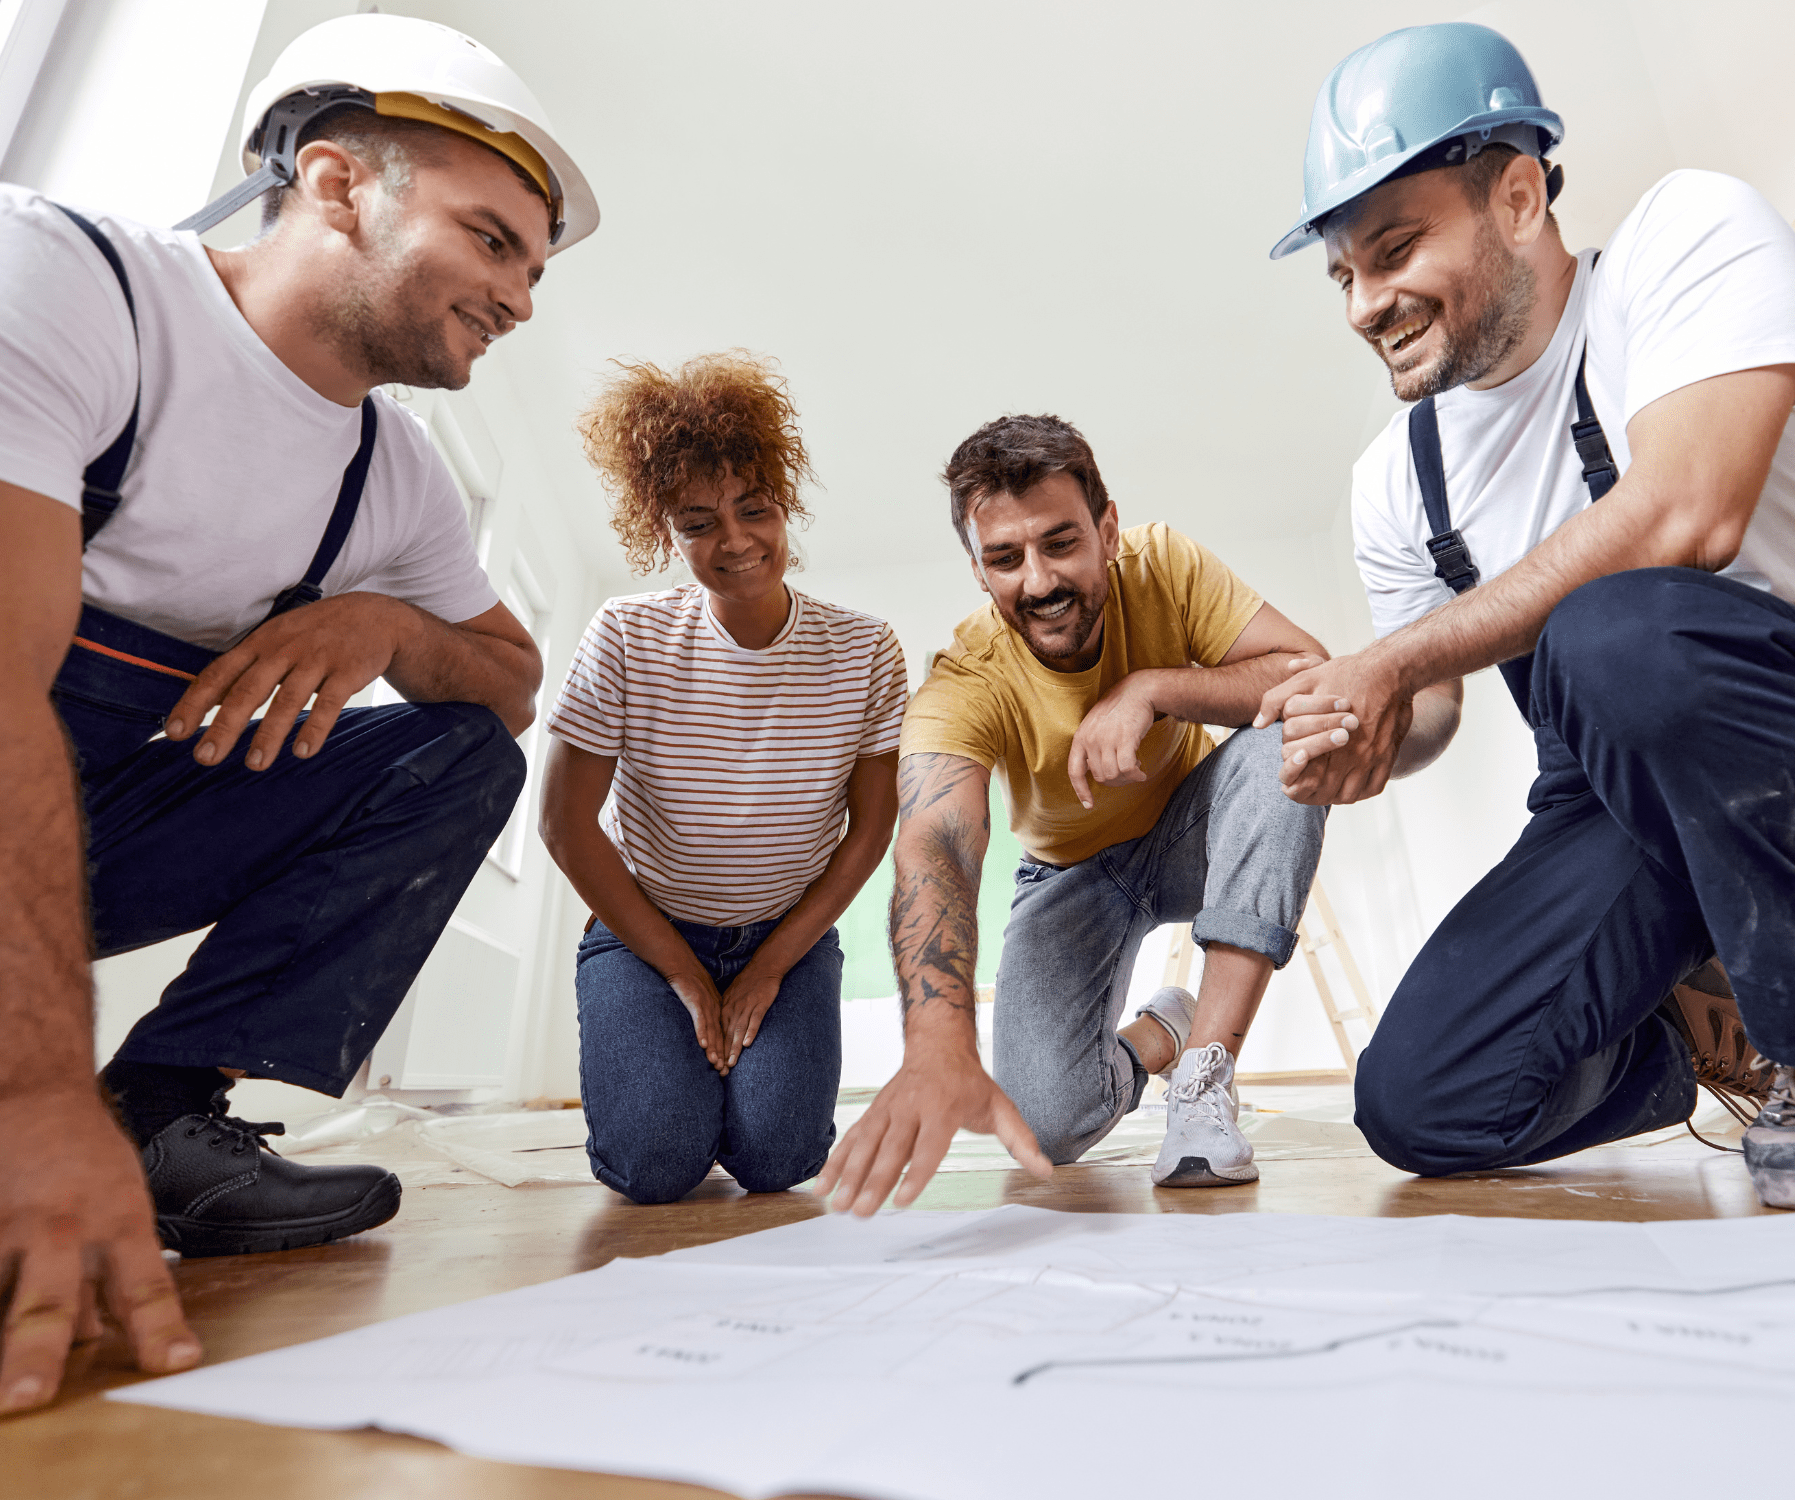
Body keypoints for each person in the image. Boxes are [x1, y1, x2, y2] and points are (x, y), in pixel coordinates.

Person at [1256, 23, 1795, 1213]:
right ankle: (1700, 1034)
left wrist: (1397, 659)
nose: (1364, 305)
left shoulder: (1687, 242)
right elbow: (1433, 705)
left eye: (1393, 250)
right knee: (1422, 1100)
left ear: (1521, 194)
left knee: (1617, 630)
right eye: (1343, 274)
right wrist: (1374, 739)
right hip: (1612, 804)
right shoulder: (1399, 477)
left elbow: (1687, 513)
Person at [0, 14, 597, 1413]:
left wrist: (386, 624)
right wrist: (31, 1097)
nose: (522, 300)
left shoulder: (389, 472)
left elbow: (508, 682)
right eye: (493, 239)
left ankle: (156, 1120)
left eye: (535, 266)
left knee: (455, 752)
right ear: (335, 186)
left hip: (96, 823)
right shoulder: (69, 284)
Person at [817, 414, 1332, 1215]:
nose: (1039, 580)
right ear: (979, 571)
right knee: (1045, 1126)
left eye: (1060, 543)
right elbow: (936, 845)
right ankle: (1162, 1032)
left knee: (1292, 736)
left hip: (1192, 832)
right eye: (1004, 559)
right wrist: (935, 1040)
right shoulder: (964, 677)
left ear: (1108, 529)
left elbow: (1310, 671)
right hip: (1070, 875)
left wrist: (1155, 689)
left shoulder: (1164, 564)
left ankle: (1202, 1080)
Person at [541, 354, 907, 1204]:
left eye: (756, 508)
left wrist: (772, 965)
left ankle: (730, 1085)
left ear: (786, 503)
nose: (737, 541)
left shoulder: (865, 650)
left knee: (779, 1160)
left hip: (789, 935)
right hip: (646, 935)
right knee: (655, 1165)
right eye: (699, 522)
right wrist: (681, 972)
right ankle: (677, 1085)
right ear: (664, 532)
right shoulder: (627, 636)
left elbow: (872, 829)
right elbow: (564, 825)